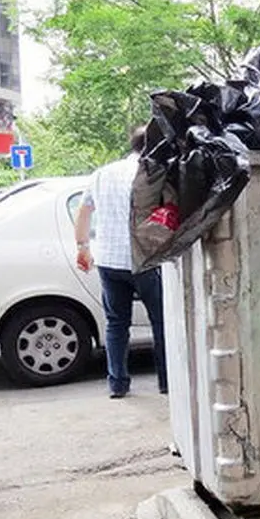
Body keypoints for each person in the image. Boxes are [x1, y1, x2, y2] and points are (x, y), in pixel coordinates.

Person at [74, 127, 167, 399]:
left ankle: (117, 383)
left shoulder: (102, 174)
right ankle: (166, 382)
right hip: (144, 259)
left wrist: (83, 247)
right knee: (160, 322)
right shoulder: (152, 173)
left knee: (116, 324)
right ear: (152, 146)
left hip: (109, 260)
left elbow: (84, 211)